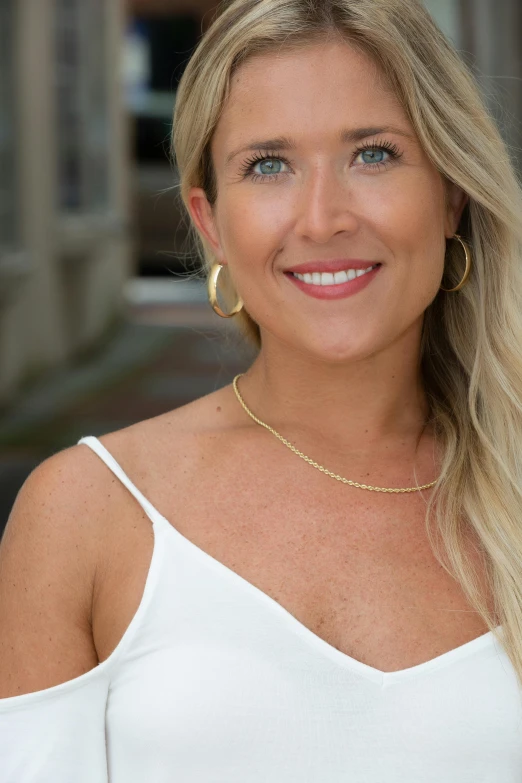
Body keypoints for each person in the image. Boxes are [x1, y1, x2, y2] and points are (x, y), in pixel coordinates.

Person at [1, 0, 522, 779]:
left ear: (451, 193)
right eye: (269, 165)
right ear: (211, 224)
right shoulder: (85, 514)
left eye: (373, 154)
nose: (323, 219)